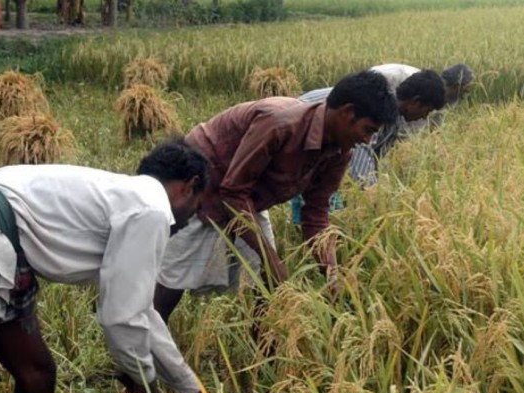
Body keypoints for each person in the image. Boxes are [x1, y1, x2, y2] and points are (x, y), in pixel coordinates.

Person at [0, 140, 210, 393]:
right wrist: (144, 383)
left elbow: (140, 311)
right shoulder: (152, 210)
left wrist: (191, 390)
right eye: (197, 207)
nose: (190, 220)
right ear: (189, 186)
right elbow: (121, 319)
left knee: (37, 377)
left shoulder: (130, 196)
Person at [153, 70, 397, 325]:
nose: (367, 140)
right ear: (347, 112)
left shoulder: (340, 152)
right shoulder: (281, 123)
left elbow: (315, 213)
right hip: (203, 182)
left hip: (247, 195)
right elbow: (232, 191)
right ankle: (143, 348)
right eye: (367, 129)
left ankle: (265, 356)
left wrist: (332, 273)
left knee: (269, 281)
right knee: (174, 278)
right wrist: (271, 259)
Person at [290, 66, 446, 222]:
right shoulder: (374, 114)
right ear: (416, 102)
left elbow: (375, 158)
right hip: (298, 128)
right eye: (427, 110)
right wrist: (374, 205)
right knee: (313, 199)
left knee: (325, 197)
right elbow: (363, 169)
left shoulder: (392, 117)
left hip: (320, 140)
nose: (424, 118)